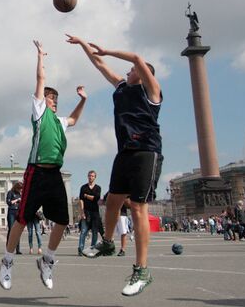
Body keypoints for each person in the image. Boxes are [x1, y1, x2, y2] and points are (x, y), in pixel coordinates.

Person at [68, 34, 163, 296]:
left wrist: (108, 50)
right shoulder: (121, 88)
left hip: (147, 152)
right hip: (125, 153)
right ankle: (108, 243)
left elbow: (136, 58)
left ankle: (142, 270)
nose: (128, 70)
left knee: (138, 209)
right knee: (111, 202)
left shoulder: (152, 92)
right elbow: (99, 65)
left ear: (143, 75)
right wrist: (84, 45)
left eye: (133, 70)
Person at [0, 40, 87, 291]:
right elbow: (39, 80)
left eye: (56, 99)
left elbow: (74, 118)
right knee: (22, 219)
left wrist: (83, 100)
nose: (54, 101)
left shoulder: (60, 122)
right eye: (51, 98)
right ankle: (7, 262)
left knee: (61, 220)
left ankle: (47, 260)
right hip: (36, 172)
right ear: (43, 100)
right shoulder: (39, 112)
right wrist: (40, 56)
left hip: (54, 175)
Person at [77, 170, 102, 256]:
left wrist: (86, 196)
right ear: (87, 177)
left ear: (95, 177)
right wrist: (82, 212)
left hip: (95, 212)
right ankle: (80, 249)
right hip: (86, 212)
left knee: (95, 232)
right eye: (89, 176)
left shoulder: (98, 188)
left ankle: (92, 249)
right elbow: (81, 200)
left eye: (92, 176)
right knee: (83, 231)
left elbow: (96, 198)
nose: (90, 177)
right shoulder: (83, 187)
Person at [5, 182, 22, 254]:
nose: (20, 190)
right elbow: (9, 202)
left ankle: (18, 249)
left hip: (18, 212)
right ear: (16, 188)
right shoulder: (10, 192)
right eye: (19, 189)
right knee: (11, 230)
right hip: (11, 212)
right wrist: (17, 200)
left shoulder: (20, 194)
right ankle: (8, 248)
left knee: (17, 231)